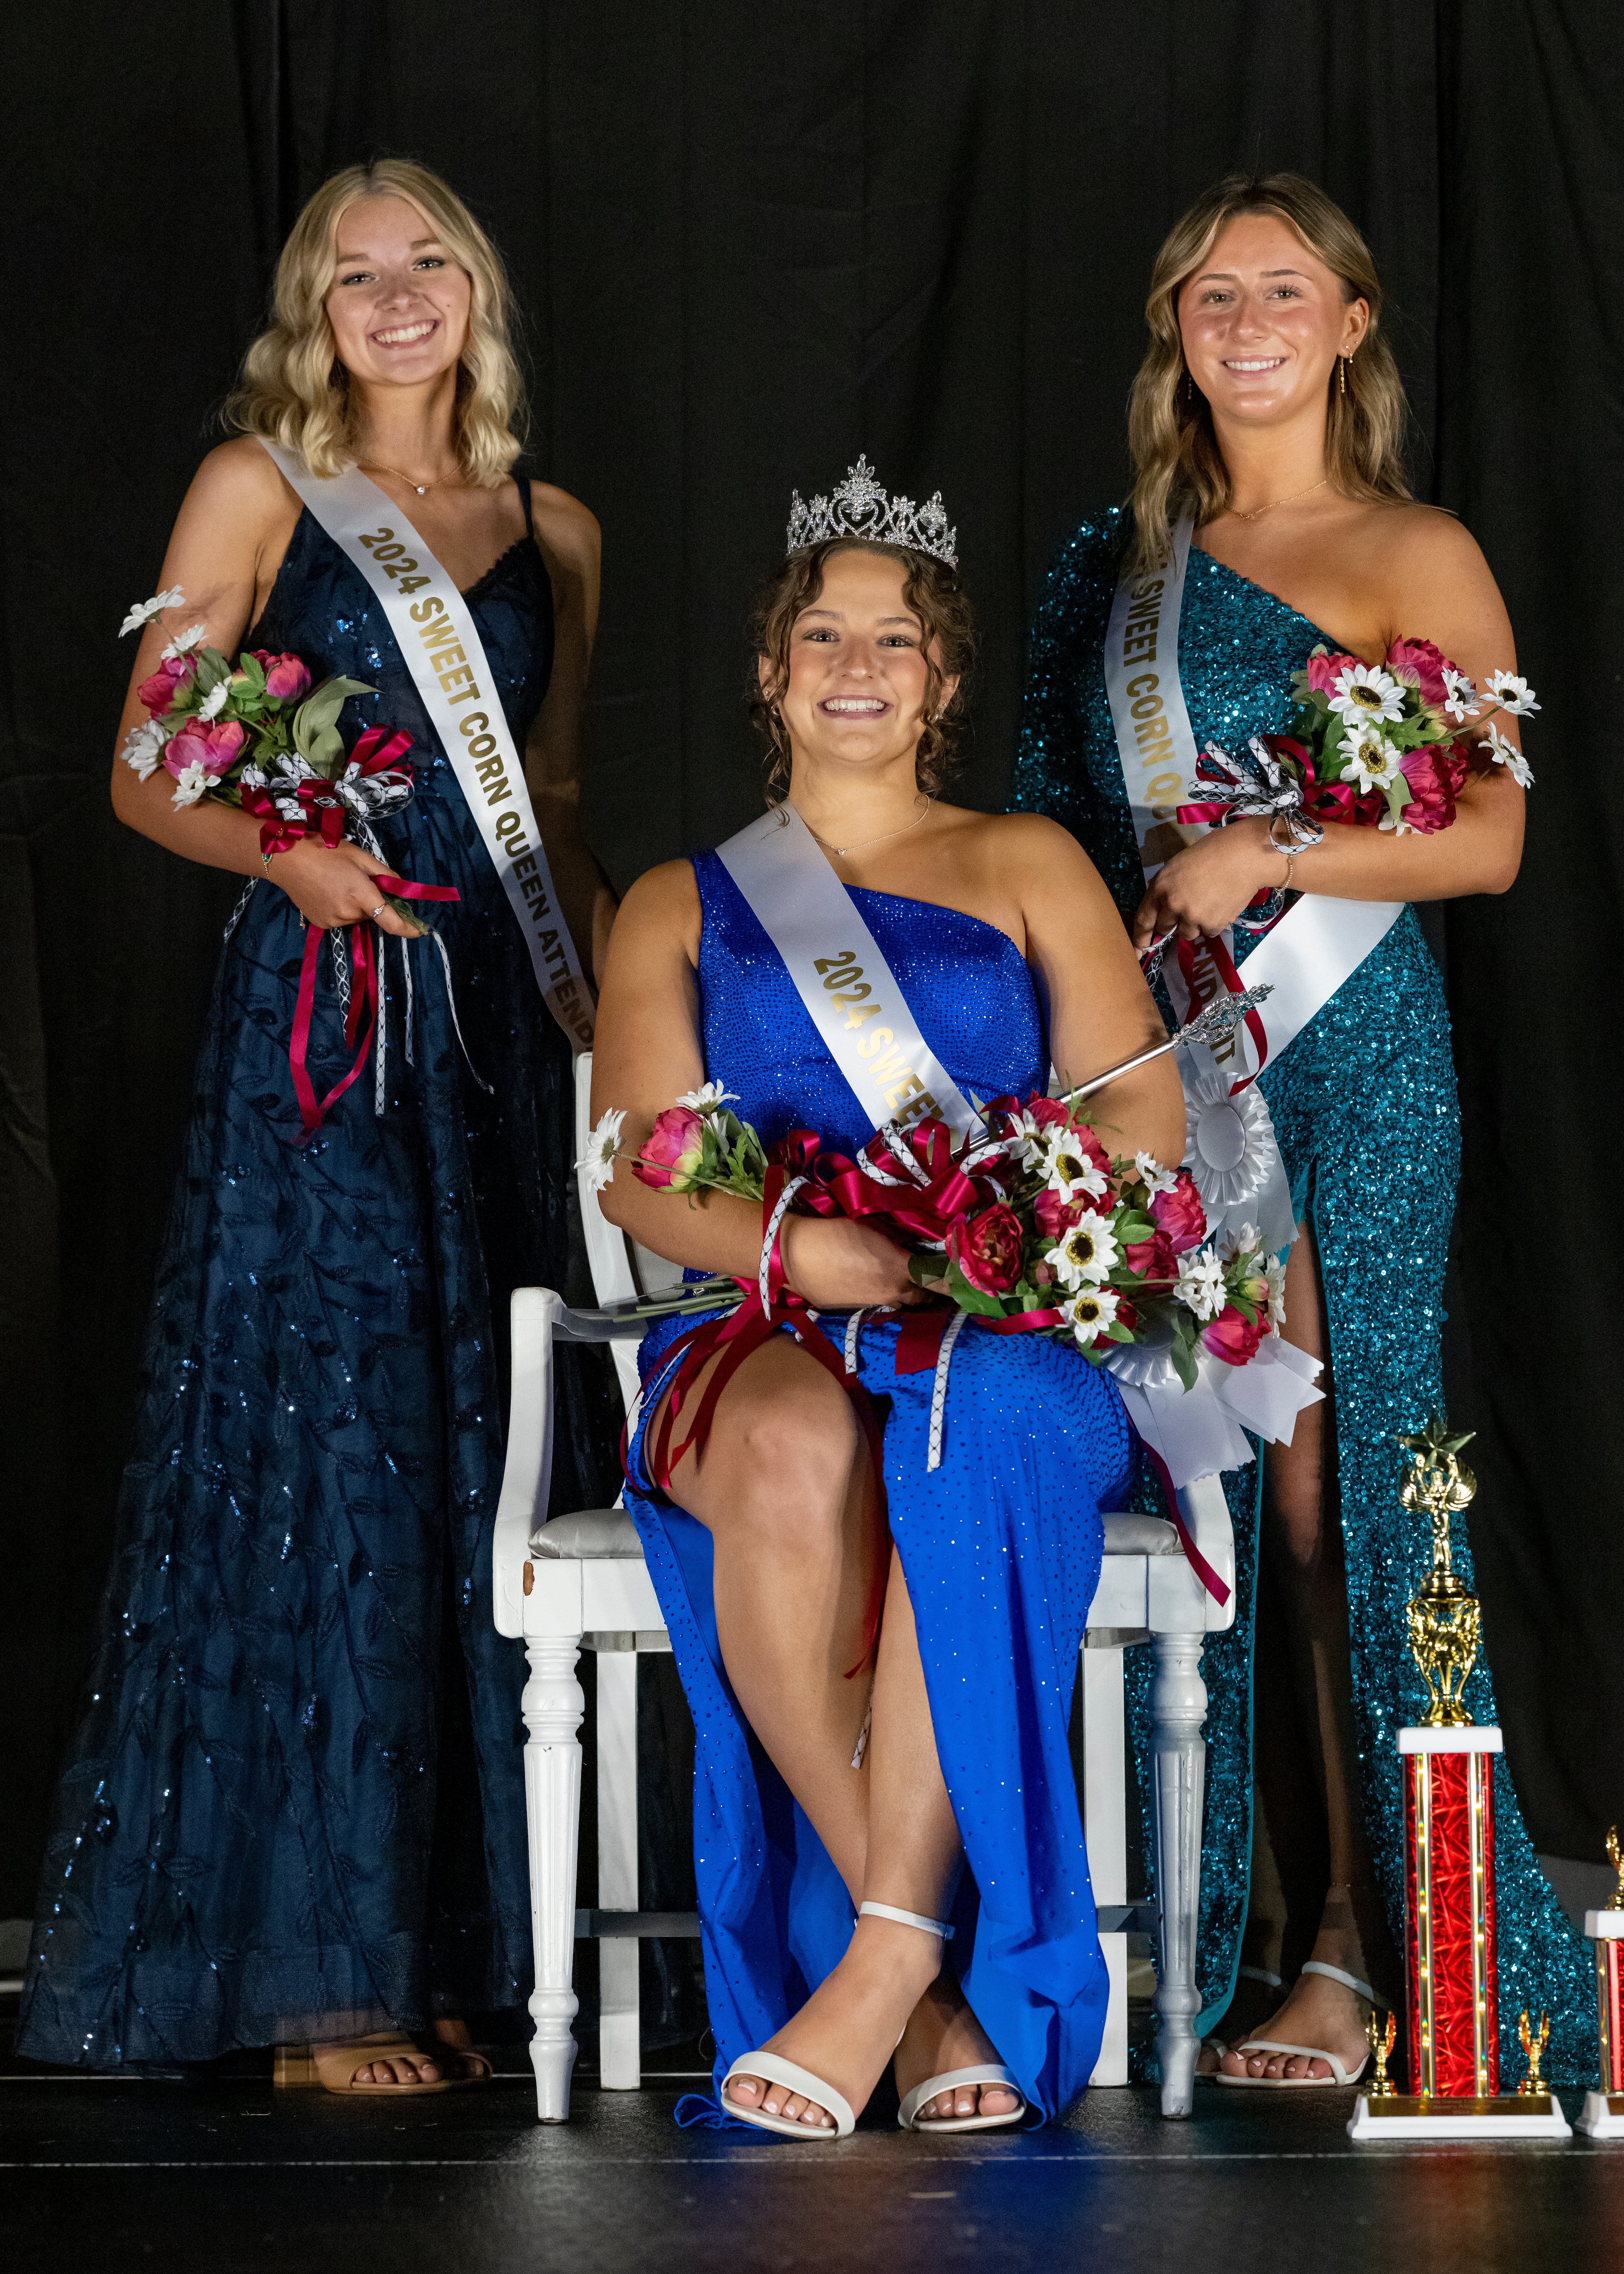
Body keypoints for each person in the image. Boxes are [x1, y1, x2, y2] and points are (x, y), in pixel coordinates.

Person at [19, 160, 615, 2092]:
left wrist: (611, 1015)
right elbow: (139, 768)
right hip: (334, 1022)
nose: (392, 294)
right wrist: (293, 854)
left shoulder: (556, 528)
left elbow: (557, 794)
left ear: (477, 290)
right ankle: (316, 1980)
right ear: (311, 307)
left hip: (500, 1036)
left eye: (425, 259)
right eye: (351, 272)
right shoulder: (258, 490)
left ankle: (453, 1945)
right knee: (342, 1455)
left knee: (482, 1463)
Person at [1014, 170, 1589, 2084]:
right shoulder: (1113, 570)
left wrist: (1267, 842)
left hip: (1352, 1055)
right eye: (1207, 294)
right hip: (1165, 1064)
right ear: (1171, 329)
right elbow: (1059, 841)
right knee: (1211, 1486)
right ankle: (1211, 1931)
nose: (1243, 321)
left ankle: (1368, 1936)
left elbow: (1488, 839)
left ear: (1350, 322)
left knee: (1341, 1488)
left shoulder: (1413, 546)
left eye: (1282, 290)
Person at [590, 466, 1185, 2134]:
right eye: (825, 634)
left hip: (992, 1326)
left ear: (940, 680)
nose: (860, 662)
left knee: (974, 1410)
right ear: (773, 673)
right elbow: (644, 1173)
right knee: (782, 1448)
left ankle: (872, 1976)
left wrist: (1026, 1229)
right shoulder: (674, 902)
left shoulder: (1024, 858)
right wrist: (800, 1252)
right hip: (771, 1312)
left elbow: (1134, 1111)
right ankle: (922, 1980)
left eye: (898, 639)